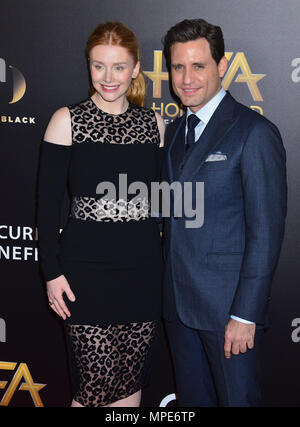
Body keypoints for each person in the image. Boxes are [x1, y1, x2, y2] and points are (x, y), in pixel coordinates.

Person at [36, 21, 165, 407]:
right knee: (94, 387)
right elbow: (46, 205)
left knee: (128, 385)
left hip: (142, 274)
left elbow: (159, 203)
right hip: (84, 274)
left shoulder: (154, 124)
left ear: (136, 68)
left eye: (119, 67)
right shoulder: (66, 120)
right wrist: (51, 273)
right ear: (88, 66)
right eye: (98, 66)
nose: (108, 78)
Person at [161, 18, 287, 406]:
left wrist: (245, 315)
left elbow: (265, 232)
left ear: (222, 64)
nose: (186, 78)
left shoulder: (254, 132)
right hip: (178, 310)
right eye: (178, 66)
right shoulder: (175, 132)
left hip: (227, 314)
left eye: (198, 65)